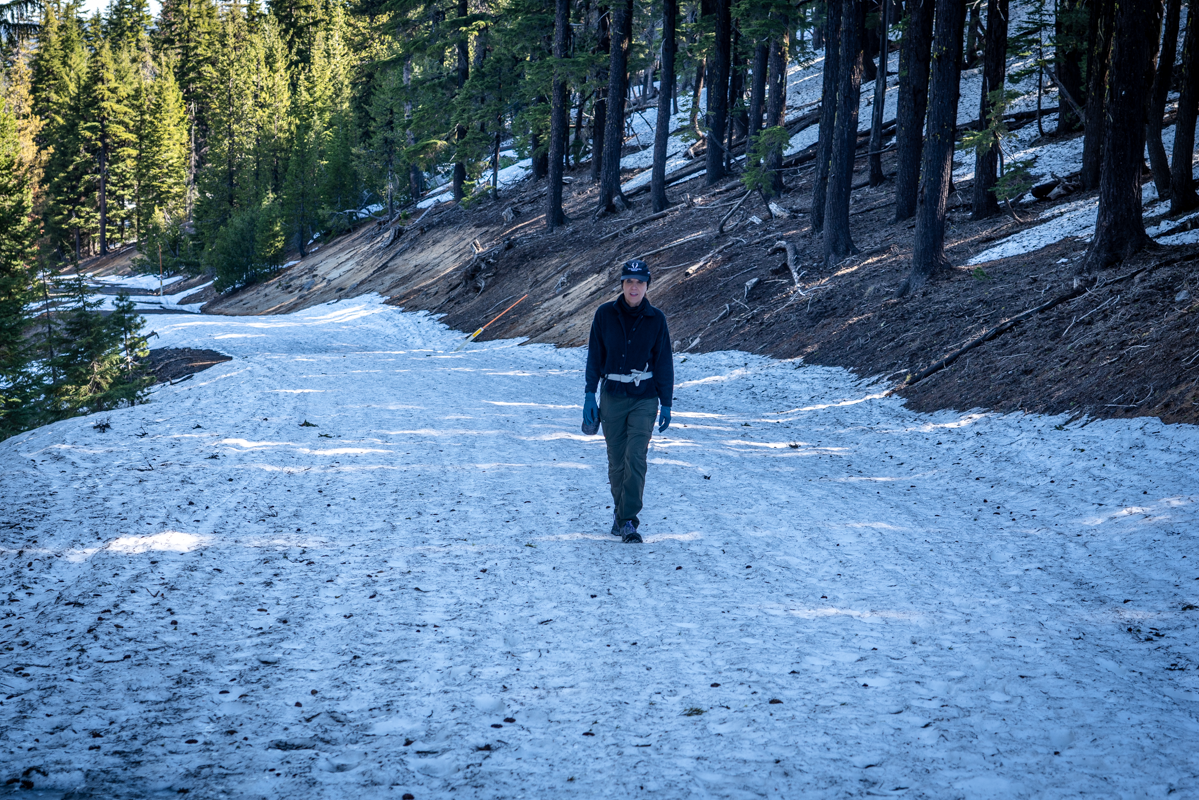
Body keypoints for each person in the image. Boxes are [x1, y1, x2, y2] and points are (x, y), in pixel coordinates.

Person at [582, 259, 674, 544]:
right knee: (616, 462)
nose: (634, 287)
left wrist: (666, 402)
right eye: (629, 282)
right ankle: (621, 514)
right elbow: (595, 356)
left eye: (640, 282)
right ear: (622, 284)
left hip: (644, 397)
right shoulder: (604, 314)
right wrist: (589, 393)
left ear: (647, 285)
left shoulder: (656, 319)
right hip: (612, 396)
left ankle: (628, 521)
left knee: (636, 457)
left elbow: (663, 362)